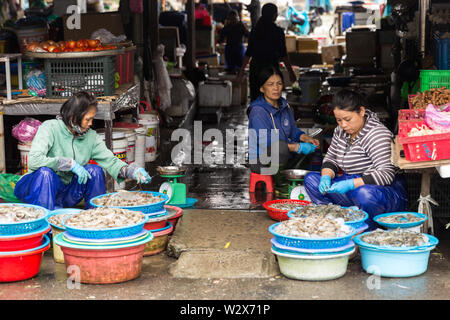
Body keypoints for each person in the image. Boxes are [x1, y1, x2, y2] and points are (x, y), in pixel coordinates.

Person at [14, 92, 152, 210]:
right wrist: (67, 164)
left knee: (94, 171)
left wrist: (130, 171)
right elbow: (34, 161)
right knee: (45, 173)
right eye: (88, 119)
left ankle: (97, 217)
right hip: (35, 189)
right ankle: (44, 227)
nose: (91, 123)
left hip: (65, 192)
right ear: (73, 117)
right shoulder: (50, 128)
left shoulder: (90, 136)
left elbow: (110, 160)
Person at [304, 89, 408, 230]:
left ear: (361, 112)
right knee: (311, 179)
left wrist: (351, 184)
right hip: (353, 187)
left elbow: (386, 174)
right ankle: (335, 222)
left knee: (364, 194)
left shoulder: (377, 134)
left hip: (381, 193)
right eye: (338, 120)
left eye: (347, 119)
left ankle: (368, 229)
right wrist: (326, 176)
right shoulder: (340, 131)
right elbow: (331, 158)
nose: (343, 125)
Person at [248, 65, 319, 177]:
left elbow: (292, 131)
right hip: (261, 161)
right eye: (270, 84)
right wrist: (298, 147)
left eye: (279, 84)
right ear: (262, 88)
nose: (276, 88)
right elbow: (268, 143)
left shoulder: (284, 105)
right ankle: (280, 180)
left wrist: (306, 138)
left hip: (283, 155)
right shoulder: (258, 112)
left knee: (312, 149)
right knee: (281, 147)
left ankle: (290, 176)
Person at [236, 2, 297, 102]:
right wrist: (291, 72)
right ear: (274, 15)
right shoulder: (278, 32)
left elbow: (248, 53)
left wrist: (241, 71)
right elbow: (283, 55)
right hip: (271, 69)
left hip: (256, 69)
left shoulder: (255, 31)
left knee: (257, 100)